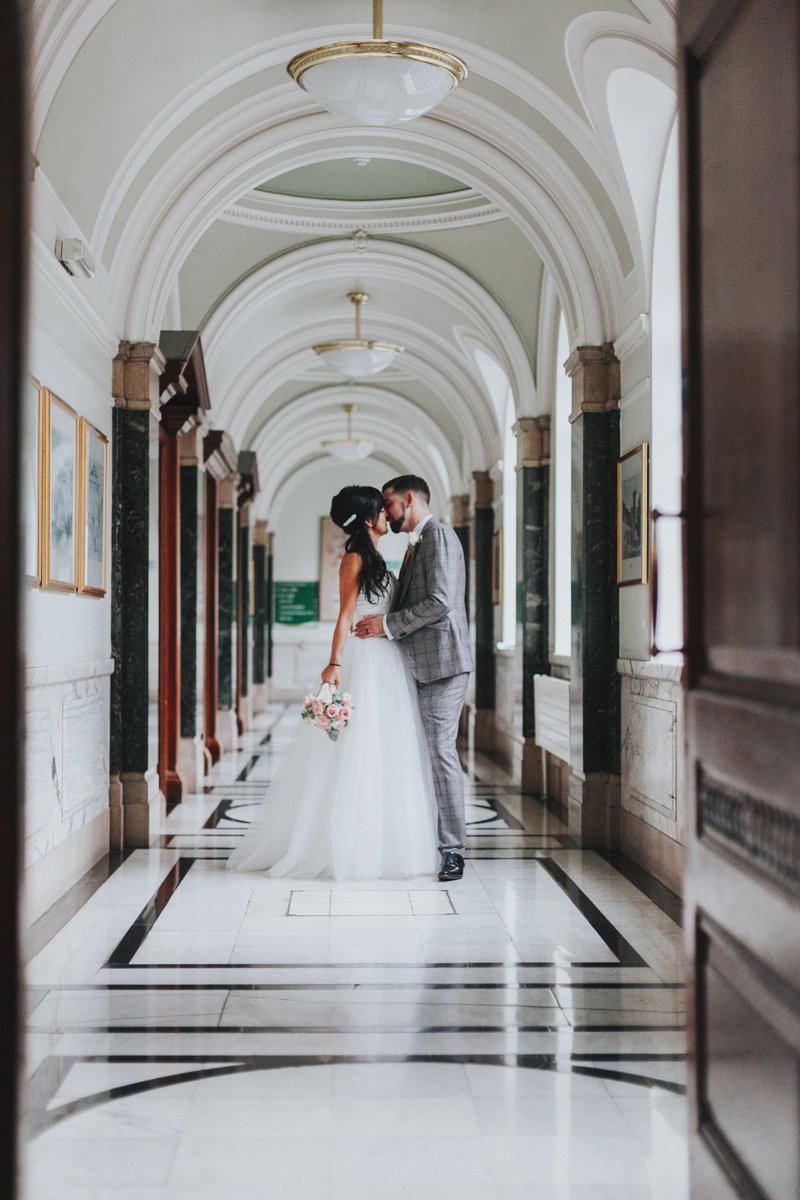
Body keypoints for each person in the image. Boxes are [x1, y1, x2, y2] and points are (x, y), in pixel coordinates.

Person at [227, 484, 438, 880]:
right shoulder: (354, 558)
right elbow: (345, 615)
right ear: (367, 519)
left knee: (388, 748)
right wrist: (333, 663)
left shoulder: (377, 555)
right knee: (353, 749)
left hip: (388, 660)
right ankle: (342, 843)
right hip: (364, 660)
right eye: (380, 509)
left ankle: (388, 842)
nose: (386, 514)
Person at [355, 475, 473, 882]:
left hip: (443, 663)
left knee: (440, 753)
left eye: (388, 503)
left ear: (409, 499)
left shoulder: (437, 535)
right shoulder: (417, 542)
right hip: (419, 663)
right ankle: (426, 839)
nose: (385, 512)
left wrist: (386, 625)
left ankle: (453, 850)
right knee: (421, 754)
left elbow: (440, 601)